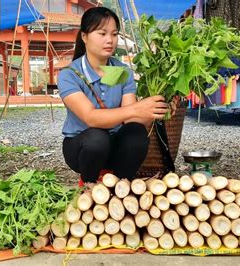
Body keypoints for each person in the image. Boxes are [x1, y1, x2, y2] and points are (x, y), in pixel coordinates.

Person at [57, 7, 168, 187]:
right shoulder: (69, 75)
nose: (110, 40)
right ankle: (89, 184)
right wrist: (136, 108)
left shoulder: (122, 71)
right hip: (82, 149)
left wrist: (154, 109)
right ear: (84, 36)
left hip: (115, 146)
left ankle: (121, 186)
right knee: (97, 139)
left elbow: (132, 120)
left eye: (114, 34)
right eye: (102, 33)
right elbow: (90, 117)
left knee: (136, 133)